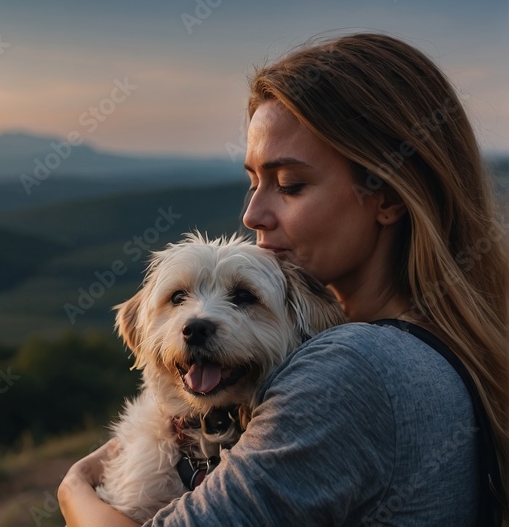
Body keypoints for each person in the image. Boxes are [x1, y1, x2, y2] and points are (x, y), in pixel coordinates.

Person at [58, 32, 509, 525]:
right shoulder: (431, 349)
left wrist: (74, 492)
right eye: (253, 183)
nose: (251, 215)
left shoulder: (355, 369)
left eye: (290, 185)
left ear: (388, 197)